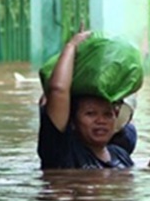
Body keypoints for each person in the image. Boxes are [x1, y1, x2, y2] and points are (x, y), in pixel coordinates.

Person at [37, 29, 140, 170]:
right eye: (91, 114)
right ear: (72, 122)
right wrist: (71, 46)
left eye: (107, 114)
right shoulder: (62, 152)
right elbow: (58, 91)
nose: (101, 121)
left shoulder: (120, 155)